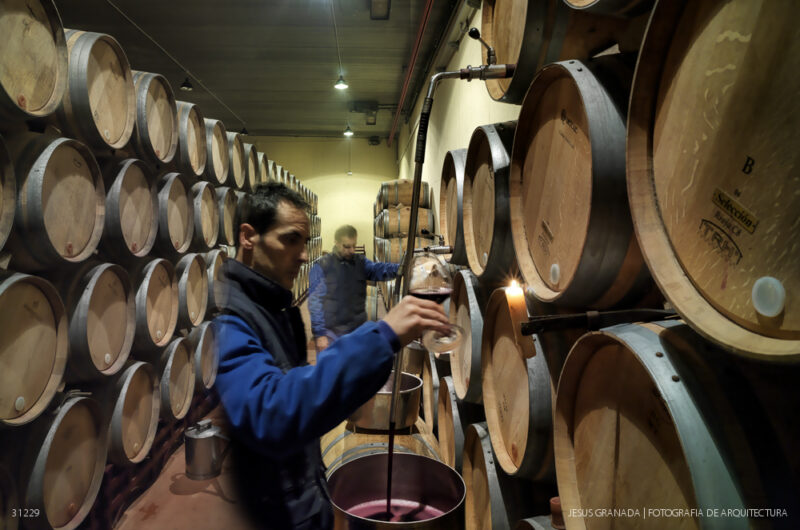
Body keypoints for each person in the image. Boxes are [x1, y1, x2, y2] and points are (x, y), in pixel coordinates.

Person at [212, 182, 450, 529]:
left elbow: (376, 271)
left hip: (299, 497)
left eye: (304, 242)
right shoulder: (227, 319)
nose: (304, 254)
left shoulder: (273, 305)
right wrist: (378, 335)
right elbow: (272, 411)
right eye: (290, 239)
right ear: (248, 237)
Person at [309, 224, 399, 353]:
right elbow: (314, 302)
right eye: (347, 246)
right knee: (333, 371)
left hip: (356, 330)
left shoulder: (360, 262)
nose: (351, 250)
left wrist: (402, 267)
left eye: (354, 246)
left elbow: (379, 269)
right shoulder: (322, 266)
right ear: (336, 242)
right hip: (331, 334)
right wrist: (320, 334)